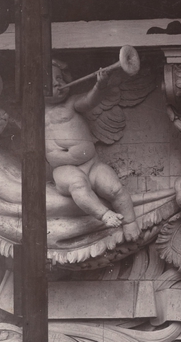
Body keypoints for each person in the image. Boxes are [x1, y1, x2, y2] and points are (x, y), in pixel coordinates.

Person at [44, 61, 140, 240]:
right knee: (77, 184)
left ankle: (130, 222)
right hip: (63, 169)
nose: (58, 83)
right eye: (49, 82)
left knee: (115, 188)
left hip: (92, 164)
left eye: (60, 78)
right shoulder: (34, 115)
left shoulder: (71, 103)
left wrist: (99, 86)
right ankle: (104, 214)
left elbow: (90, 100)